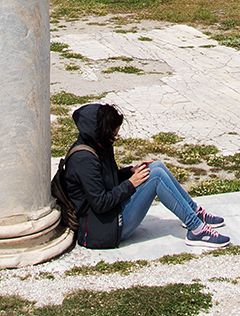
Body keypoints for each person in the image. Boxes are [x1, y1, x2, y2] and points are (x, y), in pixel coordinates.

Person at [63, 102, 231, 250]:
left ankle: (194, 211)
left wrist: (130, 171)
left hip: (111, 215)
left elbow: (107, 180)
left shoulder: (100, 144)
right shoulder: (84, 160)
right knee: (156, 176)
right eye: (113, 135)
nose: (115, 139)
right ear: (102, 132)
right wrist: (131, 183)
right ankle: (196, 229)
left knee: (155, 166)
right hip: (104, 229)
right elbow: (100, 203)